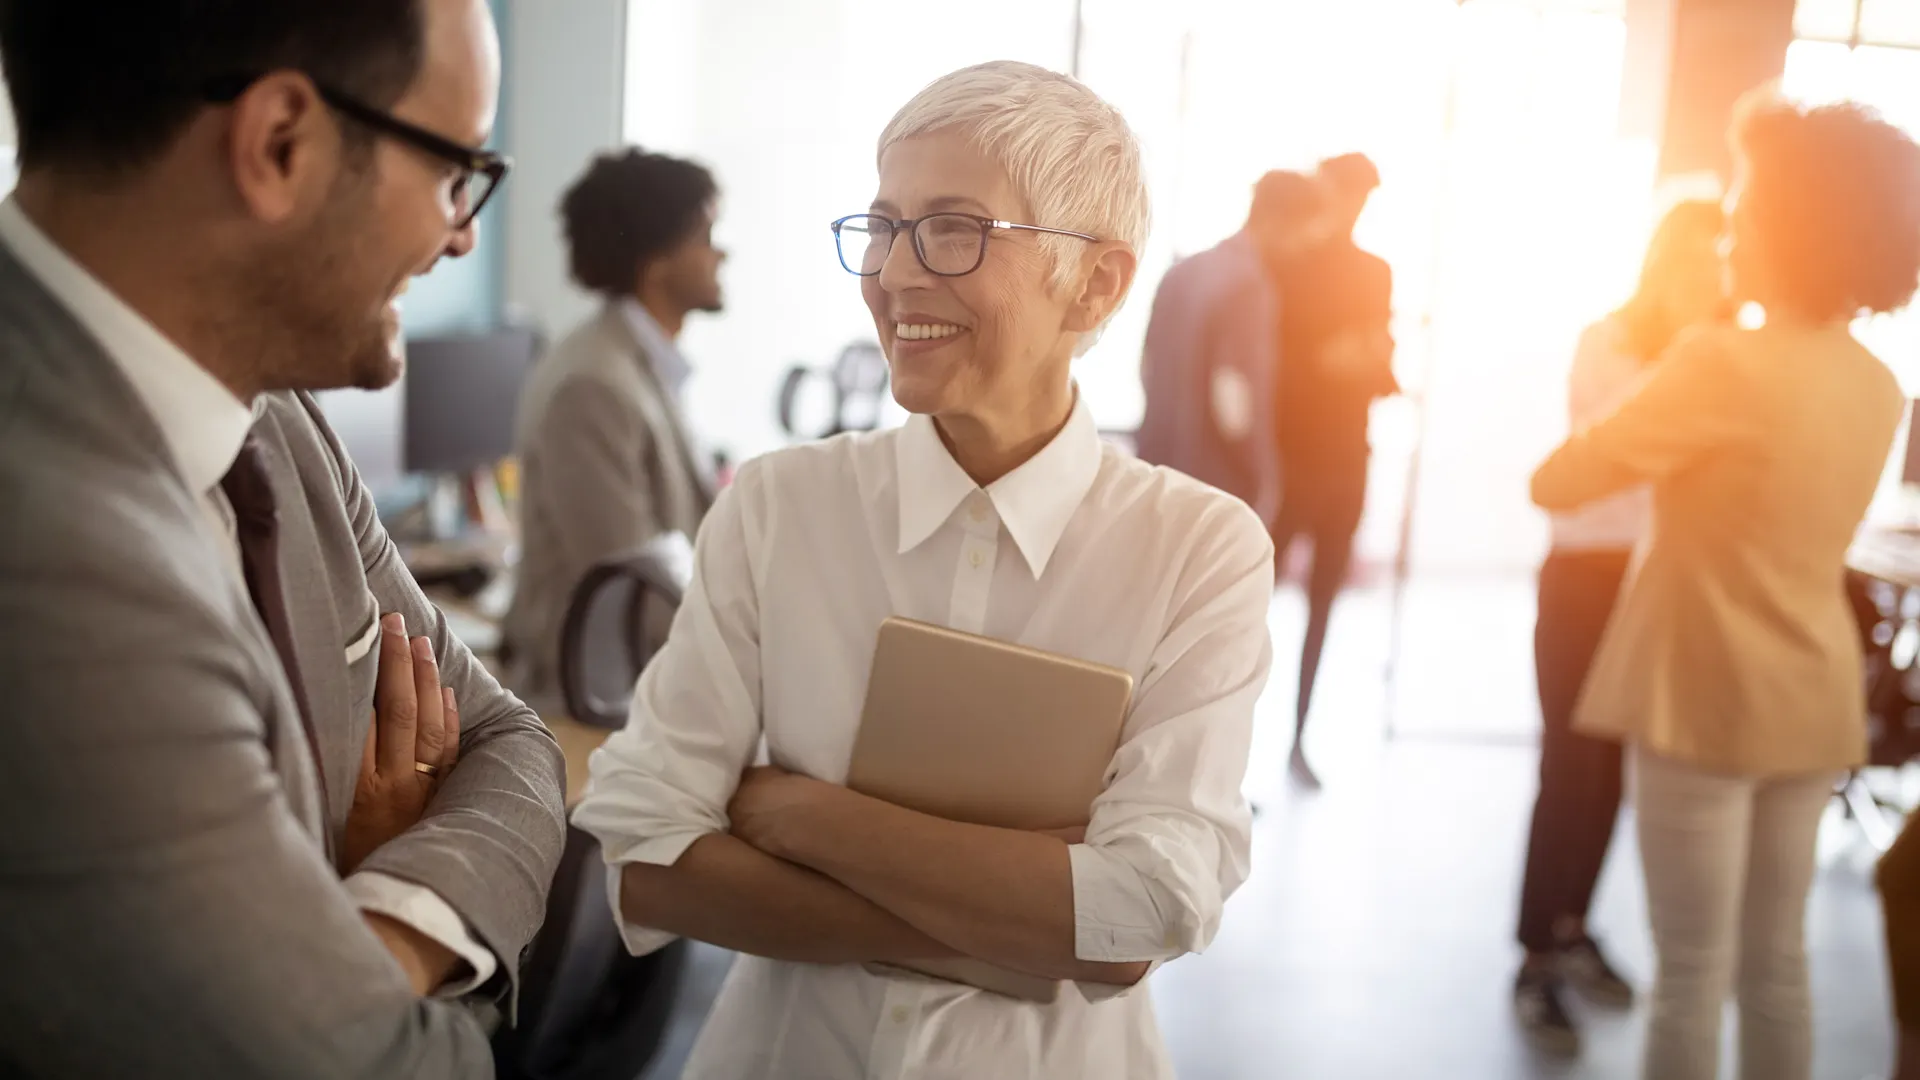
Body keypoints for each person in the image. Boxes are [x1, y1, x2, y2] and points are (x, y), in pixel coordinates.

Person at [571, 60, 1274, 1078]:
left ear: (1097, 279)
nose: (896, 273)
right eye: (884, 226)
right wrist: (1027, 923)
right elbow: (646, 860)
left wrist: (803, 815)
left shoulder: (1197, 548)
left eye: (954, 230)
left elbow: (1150, 905)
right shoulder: (776, 506)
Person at [0, 1, 567, 1075]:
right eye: (457, 173)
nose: (462, 234)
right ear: (279, 146)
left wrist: (379, 927)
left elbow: (514, 744)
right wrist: (370, 950)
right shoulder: (48, 559)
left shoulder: (278, 412)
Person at [1531, 94, 1920, 1080]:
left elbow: (1559, 481)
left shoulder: (1719, 361)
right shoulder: (1878, 385)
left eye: (1748, 202)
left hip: (1701, 695)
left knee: (1692, 973)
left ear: (1791, 225)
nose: (1733, 223)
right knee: (1778, 965)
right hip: (1811, 692)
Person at [1511, 199, 1728, 1055]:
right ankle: (1534, 954)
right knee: (1570, 768)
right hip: (1585, 578)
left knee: (1610, 774)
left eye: (1726, 259)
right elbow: (1611, 457)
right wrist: (1698, 374)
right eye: (1703, 257)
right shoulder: (1611, 340)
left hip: (1656, 583)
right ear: (1669, 260)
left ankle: (1572, 928)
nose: (1715, 274)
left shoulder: (1714, 356)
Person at [503, 147, 724, 717]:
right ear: (657, 262)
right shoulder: (592, 385)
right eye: (705, 235)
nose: (720, 253)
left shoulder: (643, 366)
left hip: (644, 686)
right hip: (593, 705)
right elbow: (636, 593)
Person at [1270, 152, 1399, 788]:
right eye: (1350, 195)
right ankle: (1226, 749)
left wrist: (1352, 360)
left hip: (1348, 459)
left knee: (1324, 603)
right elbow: (1284, 367)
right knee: (1247, 603)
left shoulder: (1375, 272)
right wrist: (1338, 360)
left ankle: (1299, 738)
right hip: (1290, 460)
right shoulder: (1287, 265)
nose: (1355, 210)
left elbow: (1383, 362)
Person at [1134, 170, 1322, 523]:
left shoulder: (1182, 272)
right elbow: (1233, 395)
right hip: (1213, 486)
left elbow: (1147, 368)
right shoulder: (1250, 284)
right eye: (1304, 233)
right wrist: (1261, 478)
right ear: (1280, 220)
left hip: (1155, 470)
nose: (1304, 247)